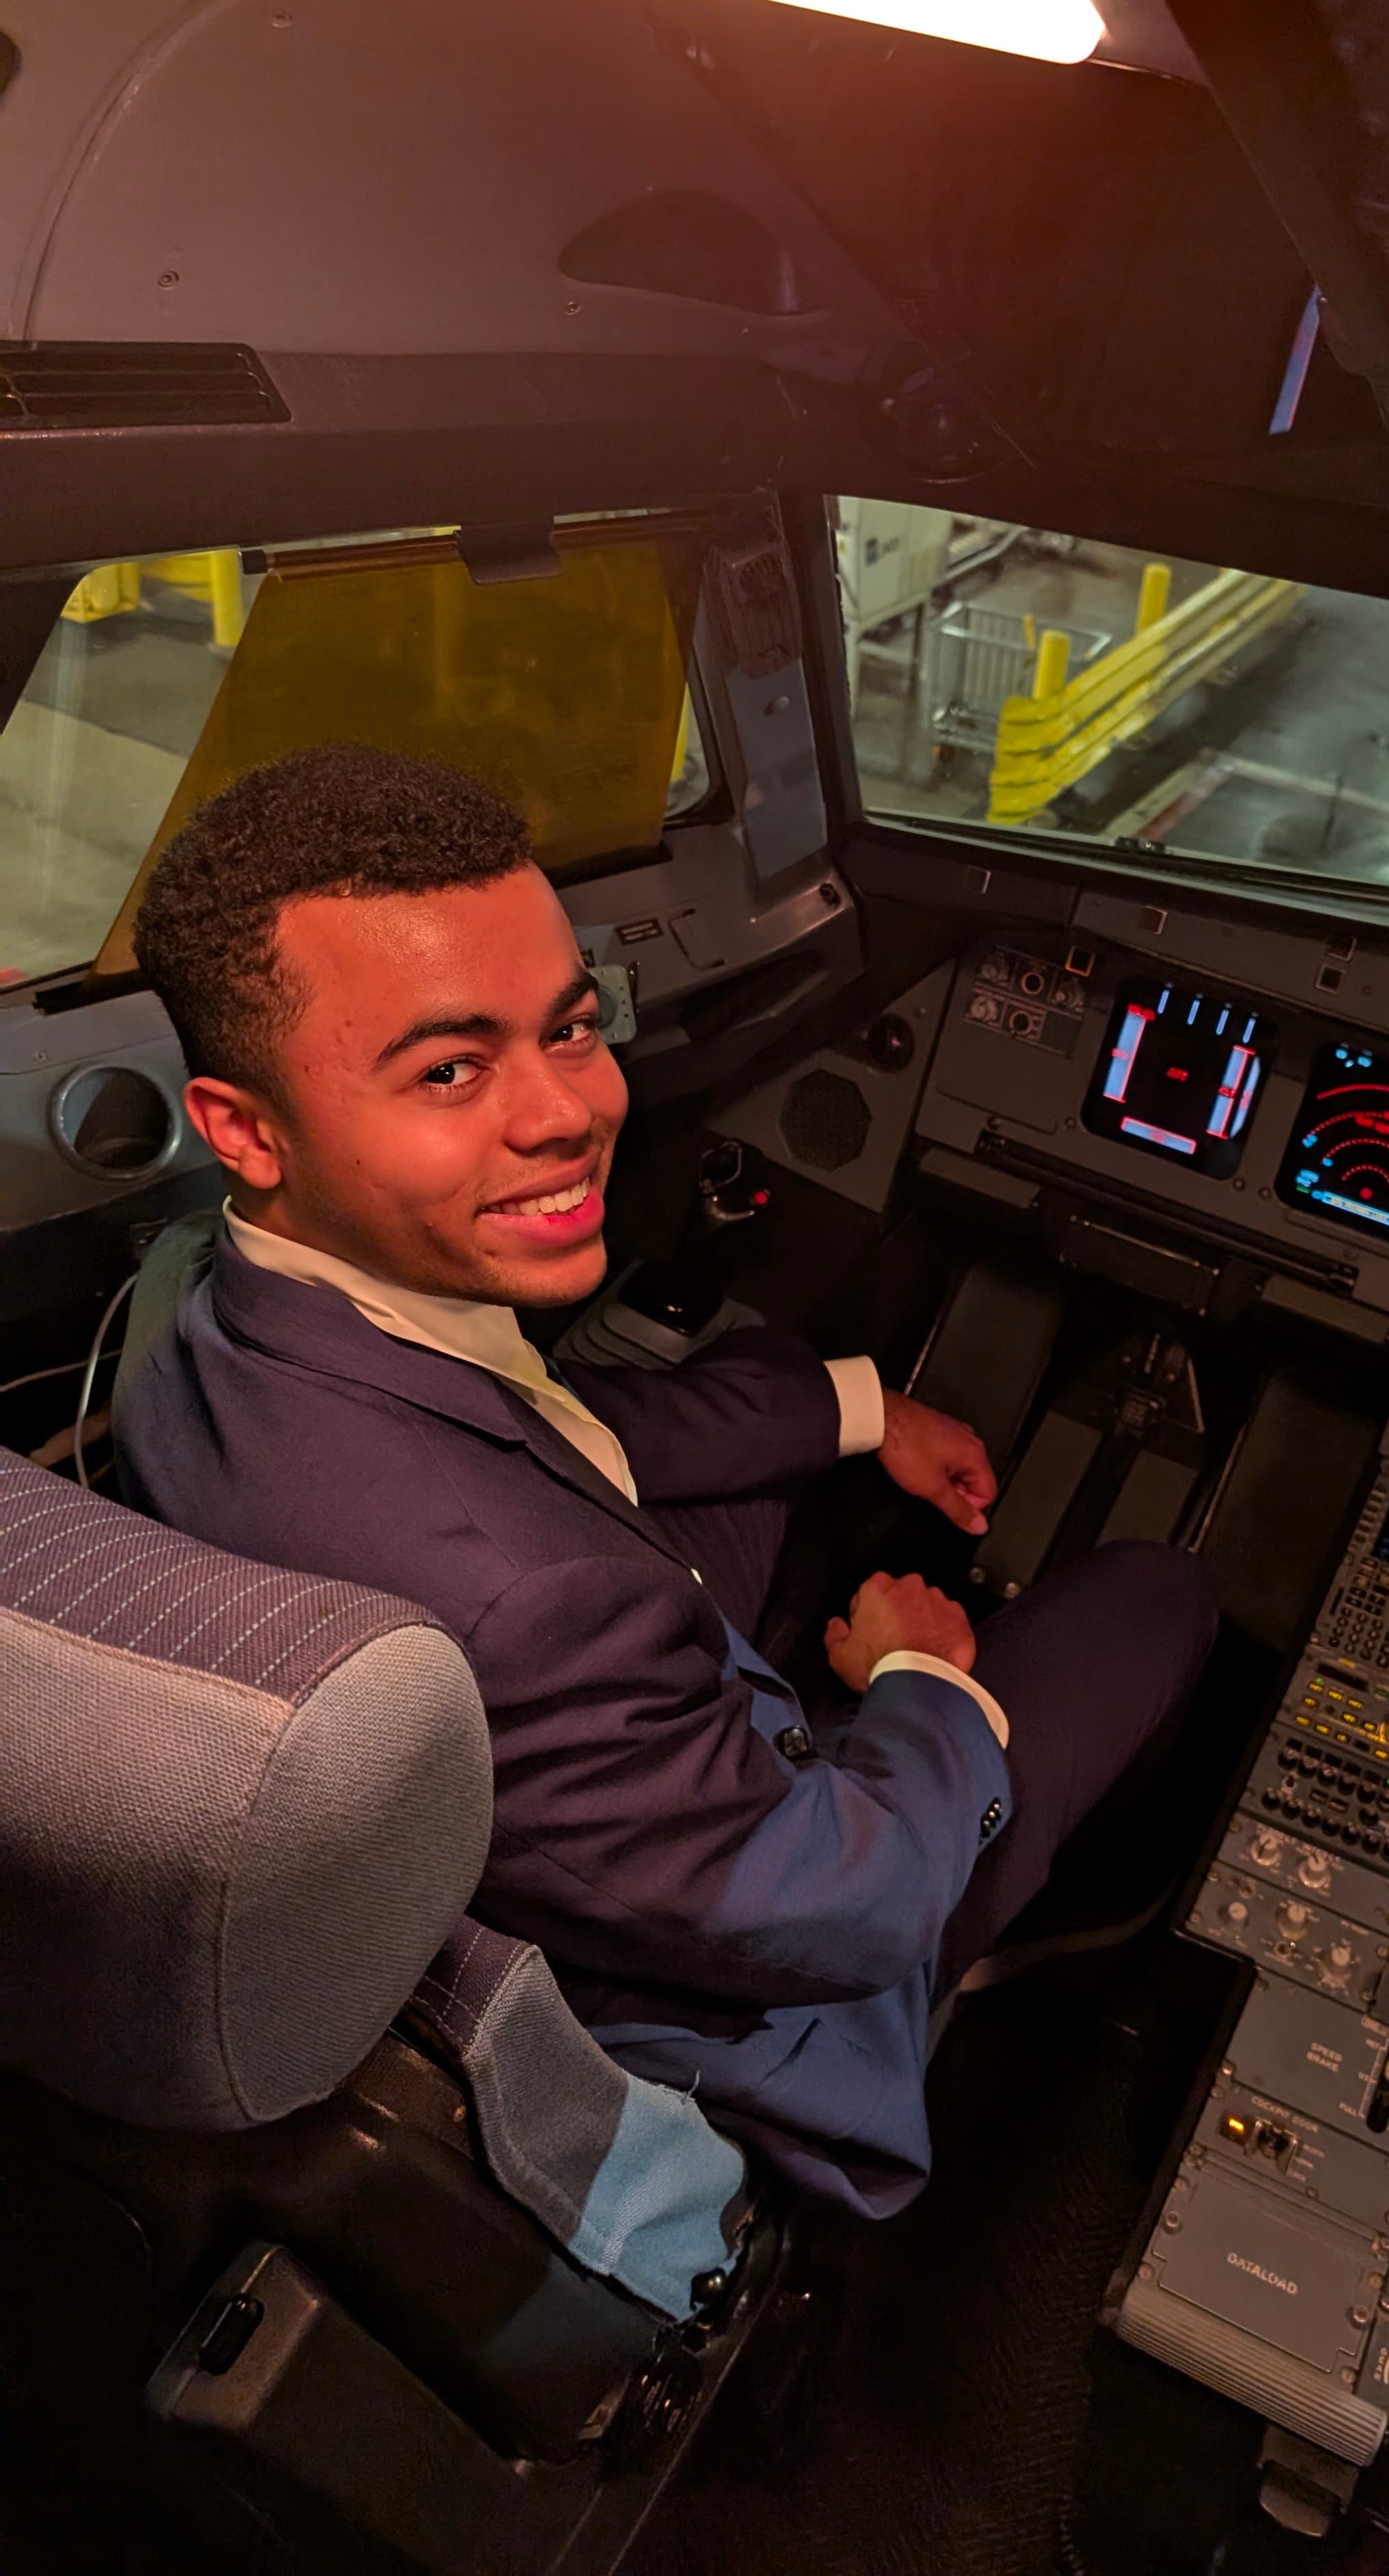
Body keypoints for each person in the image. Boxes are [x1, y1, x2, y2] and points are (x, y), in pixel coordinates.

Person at [117, 743, 1216, 2213]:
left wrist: (858, 1406)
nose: (567, 1113)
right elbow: (846, 1907)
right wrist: (918, 1682)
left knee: (777, 1455)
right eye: (451, 1069)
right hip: (752, 1993)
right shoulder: (522, 1603)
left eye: (569, 1029)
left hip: (511, 1777)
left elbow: (554, 1428)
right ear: (244, 1127)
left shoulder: (214, 1296)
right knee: (1154, 1595)